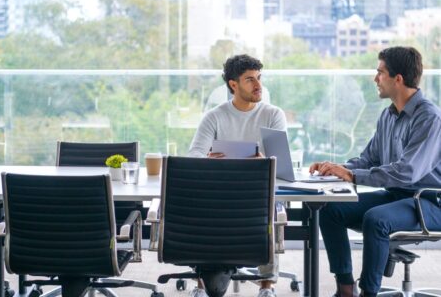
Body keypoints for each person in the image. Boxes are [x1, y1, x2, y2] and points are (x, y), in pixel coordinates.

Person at [309, 46, 441, 297]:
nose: (375, 79)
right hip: (398, 196)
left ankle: (369, 293)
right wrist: (337, 168)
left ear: (398, 79)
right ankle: (346, 288)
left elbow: (408, 171)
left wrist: (353, 176)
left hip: (429, 201)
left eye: (380, 72)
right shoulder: (388, 116)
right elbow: (369, 159)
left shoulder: (430, 118)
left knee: (376, 219)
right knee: (330, 209)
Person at [188, 54, 286, 297]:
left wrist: (264, 161)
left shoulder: (273, 114)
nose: (258, 85)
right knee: (197, 208)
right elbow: (194, 156)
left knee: (269, 207)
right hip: (220, 192)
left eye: (259, 78)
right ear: (234, 85)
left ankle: (267, 286)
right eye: (250, 80)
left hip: (258, 192)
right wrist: (207, 161)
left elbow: (281, 165)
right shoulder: (215, 116)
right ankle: (202, 284)